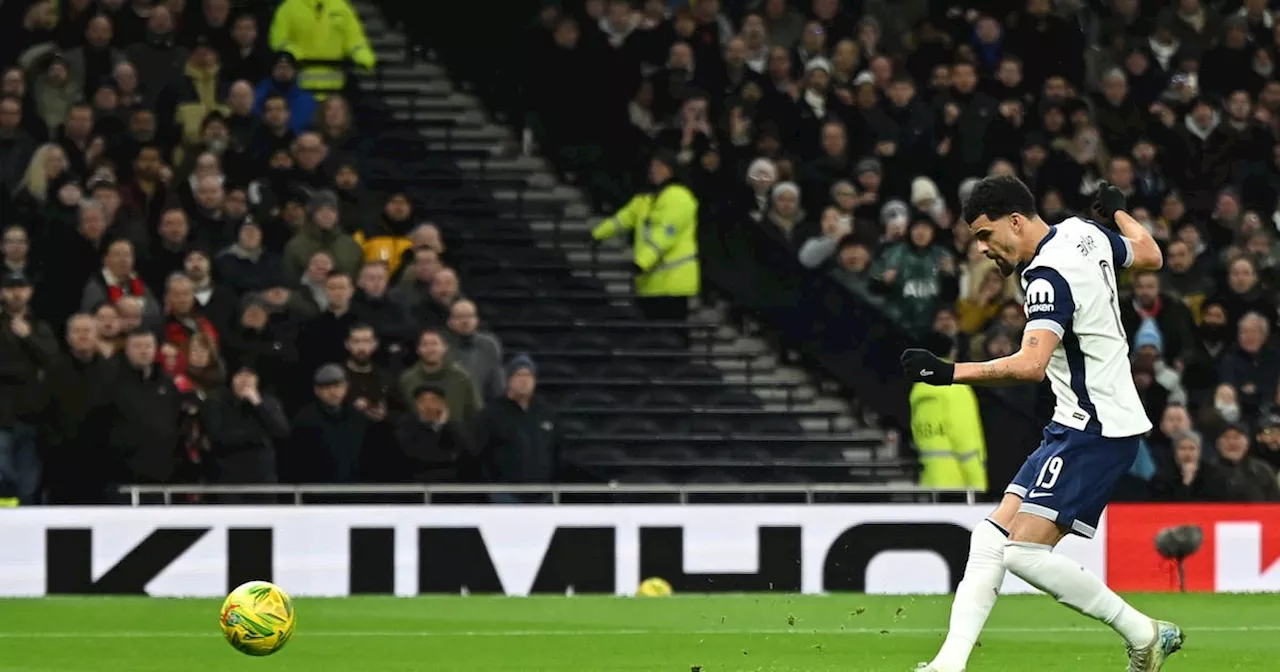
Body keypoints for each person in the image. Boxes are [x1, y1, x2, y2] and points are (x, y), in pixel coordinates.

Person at [901, 176, 1182, 672]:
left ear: (1015, 221)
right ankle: (948, 664)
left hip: (1096, 427)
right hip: (1076, 420)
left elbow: (1031, 365)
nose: (983, 249)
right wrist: (1117, 211)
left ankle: (1145, 633)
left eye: (986, 235)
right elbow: (1150, 253)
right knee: (989, 541)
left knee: (1022, 553)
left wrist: (949, 373)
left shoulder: (1046, 277)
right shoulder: (1083, 232)